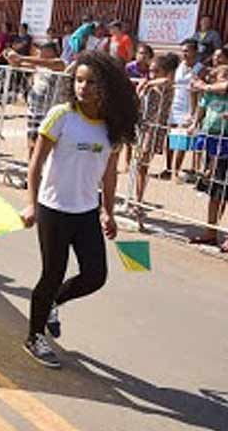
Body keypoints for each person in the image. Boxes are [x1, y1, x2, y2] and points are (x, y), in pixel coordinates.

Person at [22, 50, 139, 369]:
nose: (82, 87)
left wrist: (108, 212)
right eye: (78, 80)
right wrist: (31, 203)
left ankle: (52, 304)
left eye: (90, 82)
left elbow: (110, 172)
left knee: (95, 275)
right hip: (54, 208)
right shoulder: (62, 116)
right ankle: (34, 336)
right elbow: (36, 163)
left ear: (106, 87)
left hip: (86, 211)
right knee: (52, 273)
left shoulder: (111, 127)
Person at [132, 54, 178, 227]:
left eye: (155, 71)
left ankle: (138, 200)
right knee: (139, 166)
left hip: (154, 129)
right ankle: (137, 199)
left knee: (143, 163)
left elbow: (166, 82)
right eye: (150, 71)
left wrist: (149, 83)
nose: (151, 74)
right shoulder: (148, 85)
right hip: (143, 126)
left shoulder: (166, 86)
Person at [188, 65, 228, 247]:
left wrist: (203, 86)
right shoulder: (210, 94)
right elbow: (201, 110)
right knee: (215, 189)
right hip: (215, 142)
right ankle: (210, 230)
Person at [167, 39, 203, 182]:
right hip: (175, 105)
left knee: (182, 140)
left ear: (195, 51)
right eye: (183, 51)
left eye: (187, 51)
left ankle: (176, 170)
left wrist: (194, 114)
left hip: (189, 107)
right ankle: (168, 168)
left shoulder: (201, 68)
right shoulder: (179, 66)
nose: (184, 54)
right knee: (170, 138)